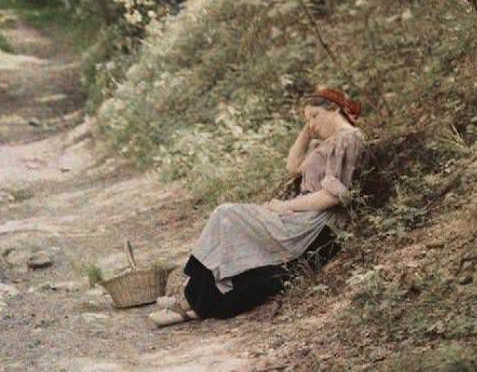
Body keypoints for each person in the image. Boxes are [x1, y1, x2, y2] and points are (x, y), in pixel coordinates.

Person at [149, 87, 366, 327]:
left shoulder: (348, 138)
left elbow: (332, 197)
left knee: (226, 214)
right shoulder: (324, 142)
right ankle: (193, 296)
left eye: (314, 116)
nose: (311, 124)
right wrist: (308, 128)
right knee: (228, 221)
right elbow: (293, 166)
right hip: (301, 214)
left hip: (313, 222)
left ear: (334, 109)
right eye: (307, 120)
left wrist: (286, 206)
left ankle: (190, 299)